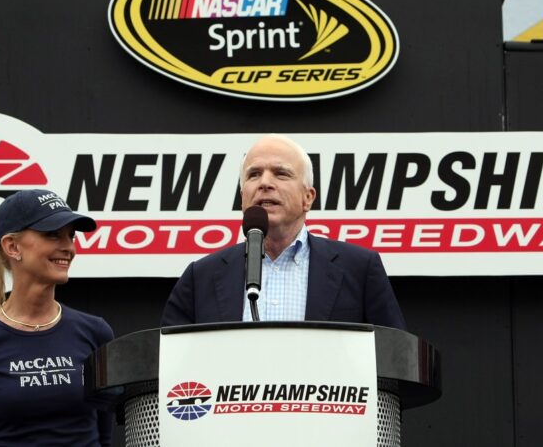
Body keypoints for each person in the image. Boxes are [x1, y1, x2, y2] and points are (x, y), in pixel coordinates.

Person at [161, 134, 406, 329]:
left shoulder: (360, 269)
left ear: (307, 198)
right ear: (242, 196)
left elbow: (393, 361)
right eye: (253, 174)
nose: (264, 183)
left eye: (281, 173)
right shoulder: (201, 276)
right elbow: (170, 366)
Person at [0, 189, 114, 447]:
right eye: (52, 234)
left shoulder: (95, 332)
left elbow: (105, 438)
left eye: (71, 236)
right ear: (12, 246)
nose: (68, 247)